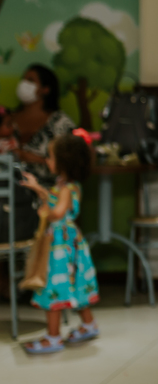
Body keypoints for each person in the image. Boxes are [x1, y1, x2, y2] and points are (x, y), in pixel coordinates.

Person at [19, 132, 100, 354]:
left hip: (60, 248)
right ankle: (88, 324)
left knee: (53, 287)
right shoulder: (66, 184)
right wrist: (39, 190)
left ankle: (53, 338)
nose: (47, 160)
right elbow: (57, 203)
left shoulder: (65, 188)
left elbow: (59, 212)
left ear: (64, 162)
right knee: (74, 285)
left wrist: (46, 211)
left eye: (51, 157)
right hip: (69, 243)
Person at [12, 65, 76, 187]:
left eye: (30, 80)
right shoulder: (7, 120)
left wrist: (29, 157)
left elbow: (71, 162)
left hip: (48, 194)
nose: (24, 83)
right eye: (23, 79)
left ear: (45, 89)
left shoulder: (60, 122)